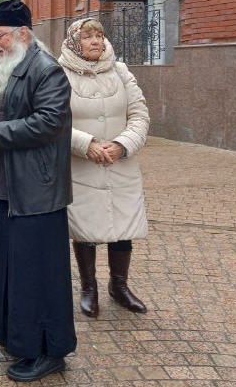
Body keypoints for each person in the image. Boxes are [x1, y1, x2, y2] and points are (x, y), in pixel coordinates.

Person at [0, 0, 76, 383]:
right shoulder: (10, 67)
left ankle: (48, 351)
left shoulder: (47, 71)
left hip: (36, 194)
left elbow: (49, 122)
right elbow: (0, 114)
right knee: (9, 270)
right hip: (6, 189)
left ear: (22, 34)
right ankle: (17, 336)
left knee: (38, 275)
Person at [58, 18, 150, 317]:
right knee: (87, 228)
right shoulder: (59, 74)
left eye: (99, 35)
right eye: (87, 36)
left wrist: (123, 144)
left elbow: (139, 115)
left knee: (123, 226)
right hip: (82, 166)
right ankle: (89, 288)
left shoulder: (120, 71)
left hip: (120, 163)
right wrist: (87, 144)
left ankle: (119, 287)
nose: (95, 41)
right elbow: (54, 120)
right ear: (74, 41)